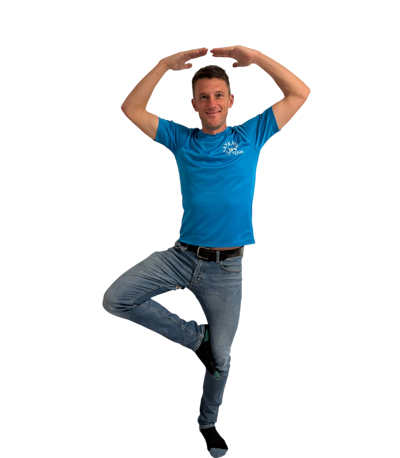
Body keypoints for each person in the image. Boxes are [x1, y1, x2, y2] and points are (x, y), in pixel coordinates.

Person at [102, 44, 312, 457]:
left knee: (223, 359)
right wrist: (164, 64)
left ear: (232, 101)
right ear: (193, 105)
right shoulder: (181, 139)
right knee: (113, 300)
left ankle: (208, 425)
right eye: (203, 97)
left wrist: (255, 55)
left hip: (225, 270)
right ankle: (194, 337)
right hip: (179, 256)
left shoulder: (251, 134)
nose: (211, 103)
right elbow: (130, 108)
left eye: (219, 95)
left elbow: (301, 93)